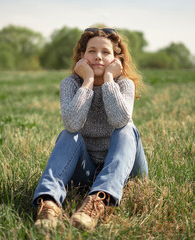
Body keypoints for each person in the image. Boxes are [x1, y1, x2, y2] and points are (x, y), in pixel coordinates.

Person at [33, 27, 148, 231]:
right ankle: (48, 203)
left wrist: (109, 81)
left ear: (116, 59)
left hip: (125, 169)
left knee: (127, 129)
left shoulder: (124, 85)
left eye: (106, 52)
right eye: (92, 51)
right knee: (69, 135)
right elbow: (73, 124)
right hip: (86, 170)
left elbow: (120, 120)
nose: (98, 57)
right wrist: (87, 82)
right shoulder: (70, 84)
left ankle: (98, 200)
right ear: (81, 56)